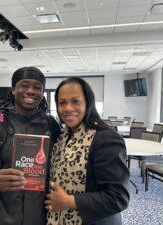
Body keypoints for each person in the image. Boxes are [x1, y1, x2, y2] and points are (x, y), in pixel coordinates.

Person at [0, 66, 61, 225]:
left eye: (37, 87)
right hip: (0, 216)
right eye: (24, 85)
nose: (30, 91)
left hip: (40, 217)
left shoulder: (51, 126)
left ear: (42, 93)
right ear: (13, 89)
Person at [45, 77, 130, 225]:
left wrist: (68, 201)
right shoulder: (62, 137)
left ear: (88, 103)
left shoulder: (105, 139)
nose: (68, 108)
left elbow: (118, 198)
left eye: (75, 101)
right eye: (62, 103)